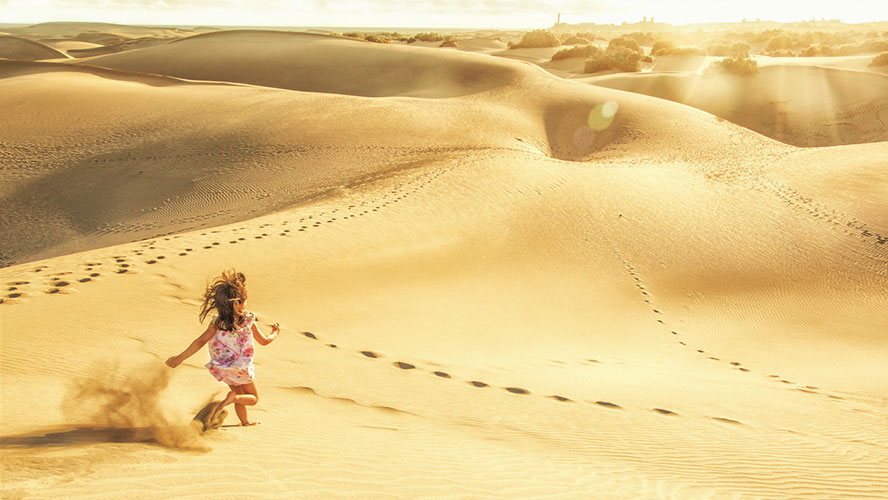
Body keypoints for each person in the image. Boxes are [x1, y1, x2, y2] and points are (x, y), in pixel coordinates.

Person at [166, 269, 280, 426]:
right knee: (253, 399)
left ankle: (245, 421)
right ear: (239, 303)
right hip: (240, 368)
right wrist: (275, 332)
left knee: (238, 392)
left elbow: (200, 341)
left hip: (222, 367)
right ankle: (231, 400)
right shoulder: (247, 320)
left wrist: (179, 358)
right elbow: (265, 341)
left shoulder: (217, 322)